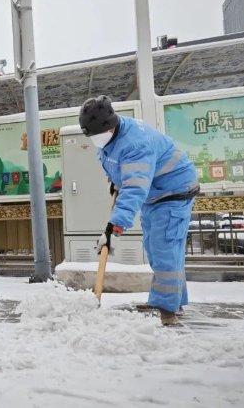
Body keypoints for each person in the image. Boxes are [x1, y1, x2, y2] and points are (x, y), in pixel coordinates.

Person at [79, 95, 199, 326]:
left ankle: (167, 308)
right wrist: (115, 182)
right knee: (158, 249)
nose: (94, 140)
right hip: (156, 194)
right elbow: (120, 171)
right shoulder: (110, 139)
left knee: (164, 248)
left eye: (95, 134)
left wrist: (115, 224)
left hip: (173, 192)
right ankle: (174, 300)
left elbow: (135, 187)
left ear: (109, 125)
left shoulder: (135, 143)